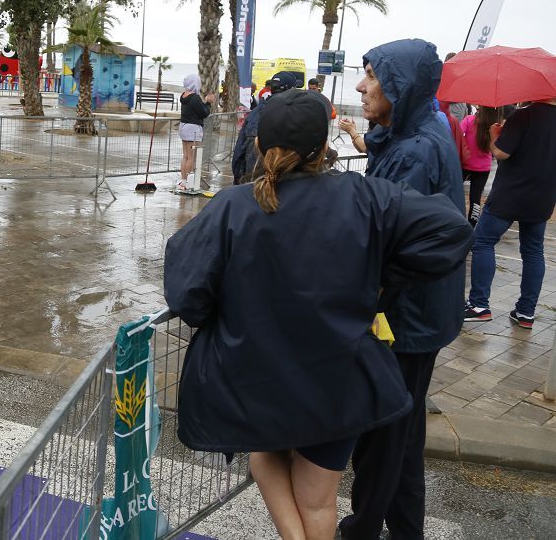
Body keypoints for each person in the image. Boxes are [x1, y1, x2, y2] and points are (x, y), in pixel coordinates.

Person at [165, 89, 472, 540]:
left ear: (257, 145)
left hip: (257, 375)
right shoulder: (364, 197)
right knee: (317, 500)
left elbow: (188, 291)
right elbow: (450, 228)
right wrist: (383, 280)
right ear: (323, 148)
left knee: (265, 456)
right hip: (336, 378)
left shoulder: (232, 206)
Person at [338, 39, 467, 540]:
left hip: (405, 317)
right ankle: (407, 529)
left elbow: (386, 242)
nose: (360, 85)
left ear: (401, 87)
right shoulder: (422, 130)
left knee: (384, 432)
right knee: (405, 432)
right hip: (423, 312)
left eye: (372, 75)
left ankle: (363, 527)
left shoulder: (415, 151)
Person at [465, 92, 556, 329]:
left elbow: (501, 153)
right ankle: (526, 312)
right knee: (533, 252)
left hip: (509, 195)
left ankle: (479, 305)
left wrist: (493, 136)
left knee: (483, 242)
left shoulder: (523, 116)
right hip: (543, 198)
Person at [231, 71, 298, 184]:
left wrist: (238, 183)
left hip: (251, 183)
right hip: (278, 185)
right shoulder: (294, 114)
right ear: (291, 89)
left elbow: (239, 152)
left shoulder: (255, 113)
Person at [460, 106, 498, 225]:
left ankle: (454, 221)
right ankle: (471, 227)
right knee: (475, 199)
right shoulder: (495, 127)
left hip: (465, 164)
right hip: (483, 167)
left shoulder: (469, 120)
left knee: (455, 193)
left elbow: (458, 135)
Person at [177, 73, 215, 190]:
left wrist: (204, 103)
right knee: (191, 157)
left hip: (184, 127)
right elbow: (203, 113)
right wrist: (208, 102)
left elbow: (196, 108)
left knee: (185, 156)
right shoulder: (194, 97)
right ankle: (187, 182)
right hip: (192, 129)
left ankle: (183, 180)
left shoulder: (184, 95)